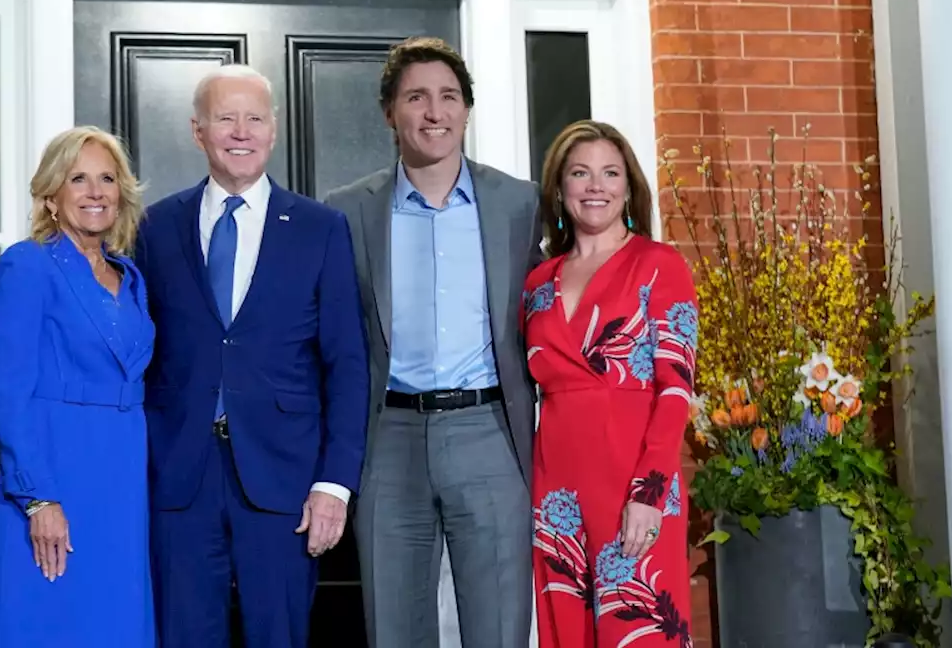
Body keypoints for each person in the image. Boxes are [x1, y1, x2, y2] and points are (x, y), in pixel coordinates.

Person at [134, 64, 369, 648]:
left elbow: (347, 364)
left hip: (284, 478)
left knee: (279, 635)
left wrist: (334, 484)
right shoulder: (155, 227)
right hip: (180, 476)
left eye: (254, 118)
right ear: (197, 130)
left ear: (274, 129)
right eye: (225, 118)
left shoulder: (321, 228)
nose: (241, 131)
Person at [324, 36, 542, 648]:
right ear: (389, 111)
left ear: (467, 110)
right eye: (416, 97)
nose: (434, 112)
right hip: (388, 438)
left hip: (490, 431)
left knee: (500, 627)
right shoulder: (346, 212)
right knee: (394, 625)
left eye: (448, 97)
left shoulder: (519, 203)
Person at [522, 119, 697, 648]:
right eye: (580, 173)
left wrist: (648, 492)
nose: (595, 185)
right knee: (565, 634)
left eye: (609, 172)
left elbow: (675, 389)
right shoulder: (536, 282)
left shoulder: (659, 265)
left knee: (639, 633)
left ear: (628, 187)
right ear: (559, 187)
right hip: (555, 491)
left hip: (633, 483)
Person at [0, 126, 155, 647]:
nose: (95, 191)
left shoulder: (129, 275)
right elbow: (11, 392)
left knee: (117, 621)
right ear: (51, 197)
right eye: (78, 179)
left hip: (122, 476)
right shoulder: (27, 265)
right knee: (52, 621)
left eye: (107, 178)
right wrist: (38, 498)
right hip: (57, 472)